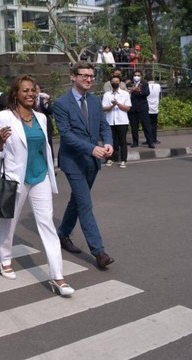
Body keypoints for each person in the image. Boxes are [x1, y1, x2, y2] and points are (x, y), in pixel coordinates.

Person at [0, 74, 75, 296]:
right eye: (25, 90)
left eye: (33, 90)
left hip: (40, 177)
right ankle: (4, 259)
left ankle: (58, 277)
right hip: (15, 179)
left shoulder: (41, 118)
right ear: (15, 94)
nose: (30, 94)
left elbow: (43, 149)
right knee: (9, 221)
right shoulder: (3, 117)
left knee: (46, 224)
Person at [54, 61, 115, 269]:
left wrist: (108, 142)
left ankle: (62, 233)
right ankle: (99, 252)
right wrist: (90, 148)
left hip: (92, 161)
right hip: (73, 162)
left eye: (91, 75)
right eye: (84, 75)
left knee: (77, 201)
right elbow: (66, 135)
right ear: (73, 76)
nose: (89, 79)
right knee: (85, 203)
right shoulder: (62, 103)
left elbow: (103, 125)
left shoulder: (95, 101)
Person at [102, 75, 132, 168]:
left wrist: (117, 104)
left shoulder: (125, 94)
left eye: (117, 81)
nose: (115, 83)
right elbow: (104, 108)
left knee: (122, 141)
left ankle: (123, 160)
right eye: (113, 81)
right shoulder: (107, 94)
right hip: (110, 121)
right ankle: (110, 158)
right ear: (110, 83)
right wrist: (112, 106)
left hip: (122, 121)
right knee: (111, 142)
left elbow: (127, 108)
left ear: (120, 82)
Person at [128, 70, 154, 148]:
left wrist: (139, 91)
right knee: (134, 127)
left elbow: (147, 93)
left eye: (138, 75)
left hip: (142, 108)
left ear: (141, 76)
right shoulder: (129, 84)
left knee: (146, 126)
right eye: (135, 75)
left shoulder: (144, 84)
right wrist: (131, 90)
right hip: (132, 108)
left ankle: (150, 142)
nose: (137, 77)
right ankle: (135, 142)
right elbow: (126, 93)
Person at [147, 74, 162, 144]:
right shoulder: (158, 86)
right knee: (154, 124)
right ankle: (154, 138)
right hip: (155, 107)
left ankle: (149, 139)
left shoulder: (145, 85)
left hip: (147, 107)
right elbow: (159, 94)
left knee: (148, 125)